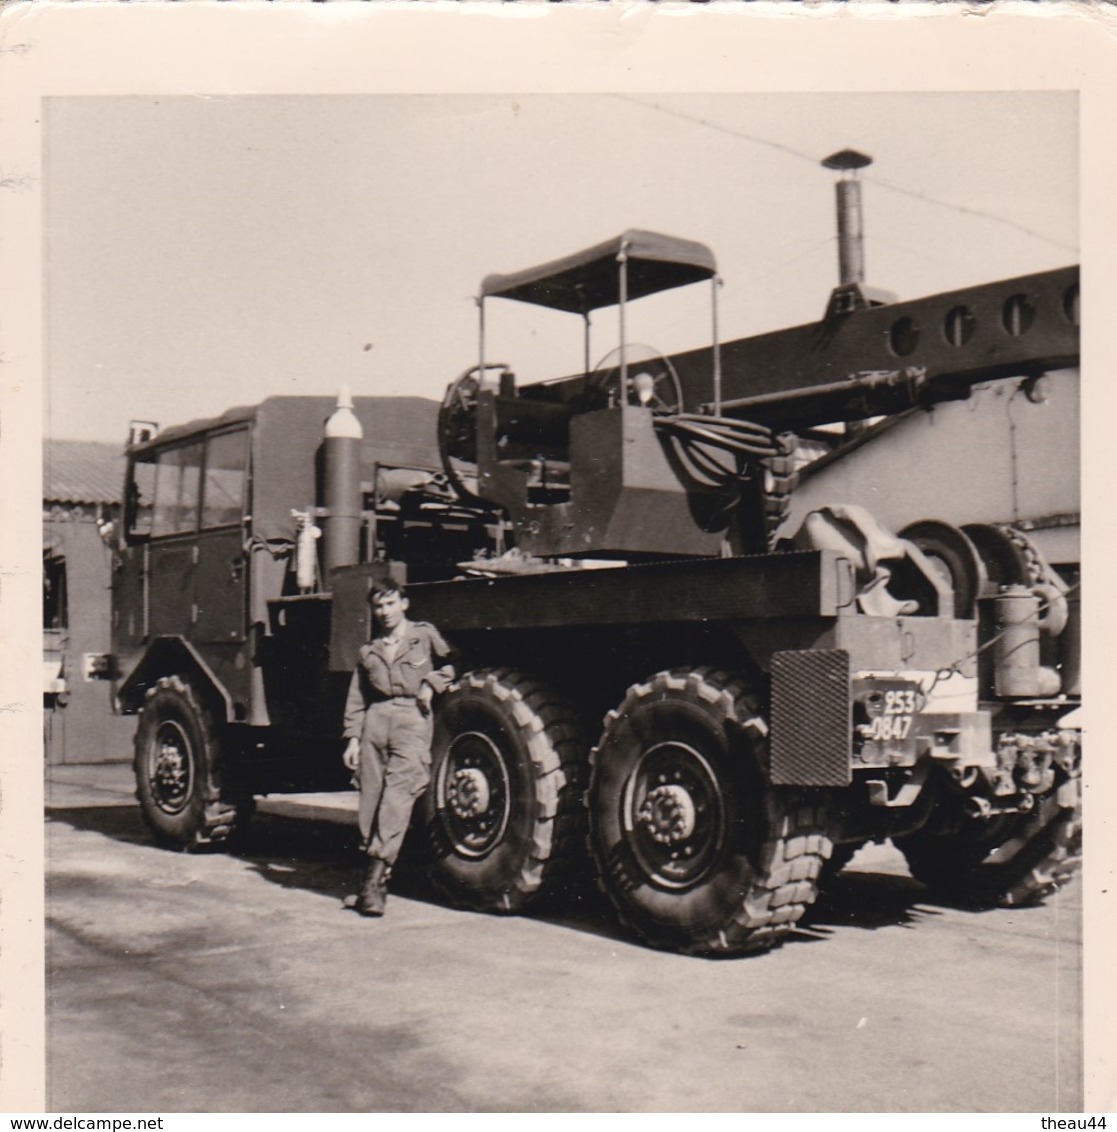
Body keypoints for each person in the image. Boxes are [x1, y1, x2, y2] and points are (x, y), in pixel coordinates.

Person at [342, 578, 454, 917]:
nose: (384, 612)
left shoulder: (424, 635)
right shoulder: (369, 651)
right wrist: (352, 739)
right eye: (378, 606)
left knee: (397, 798)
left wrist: (432, 685)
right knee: (370, 800)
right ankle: (371, 880)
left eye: (390, 603)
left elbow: (452, 664)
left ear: (404, 603)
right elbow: (357, 698)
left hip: (411, 720)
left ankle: (374, 886)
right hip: (375, 721)